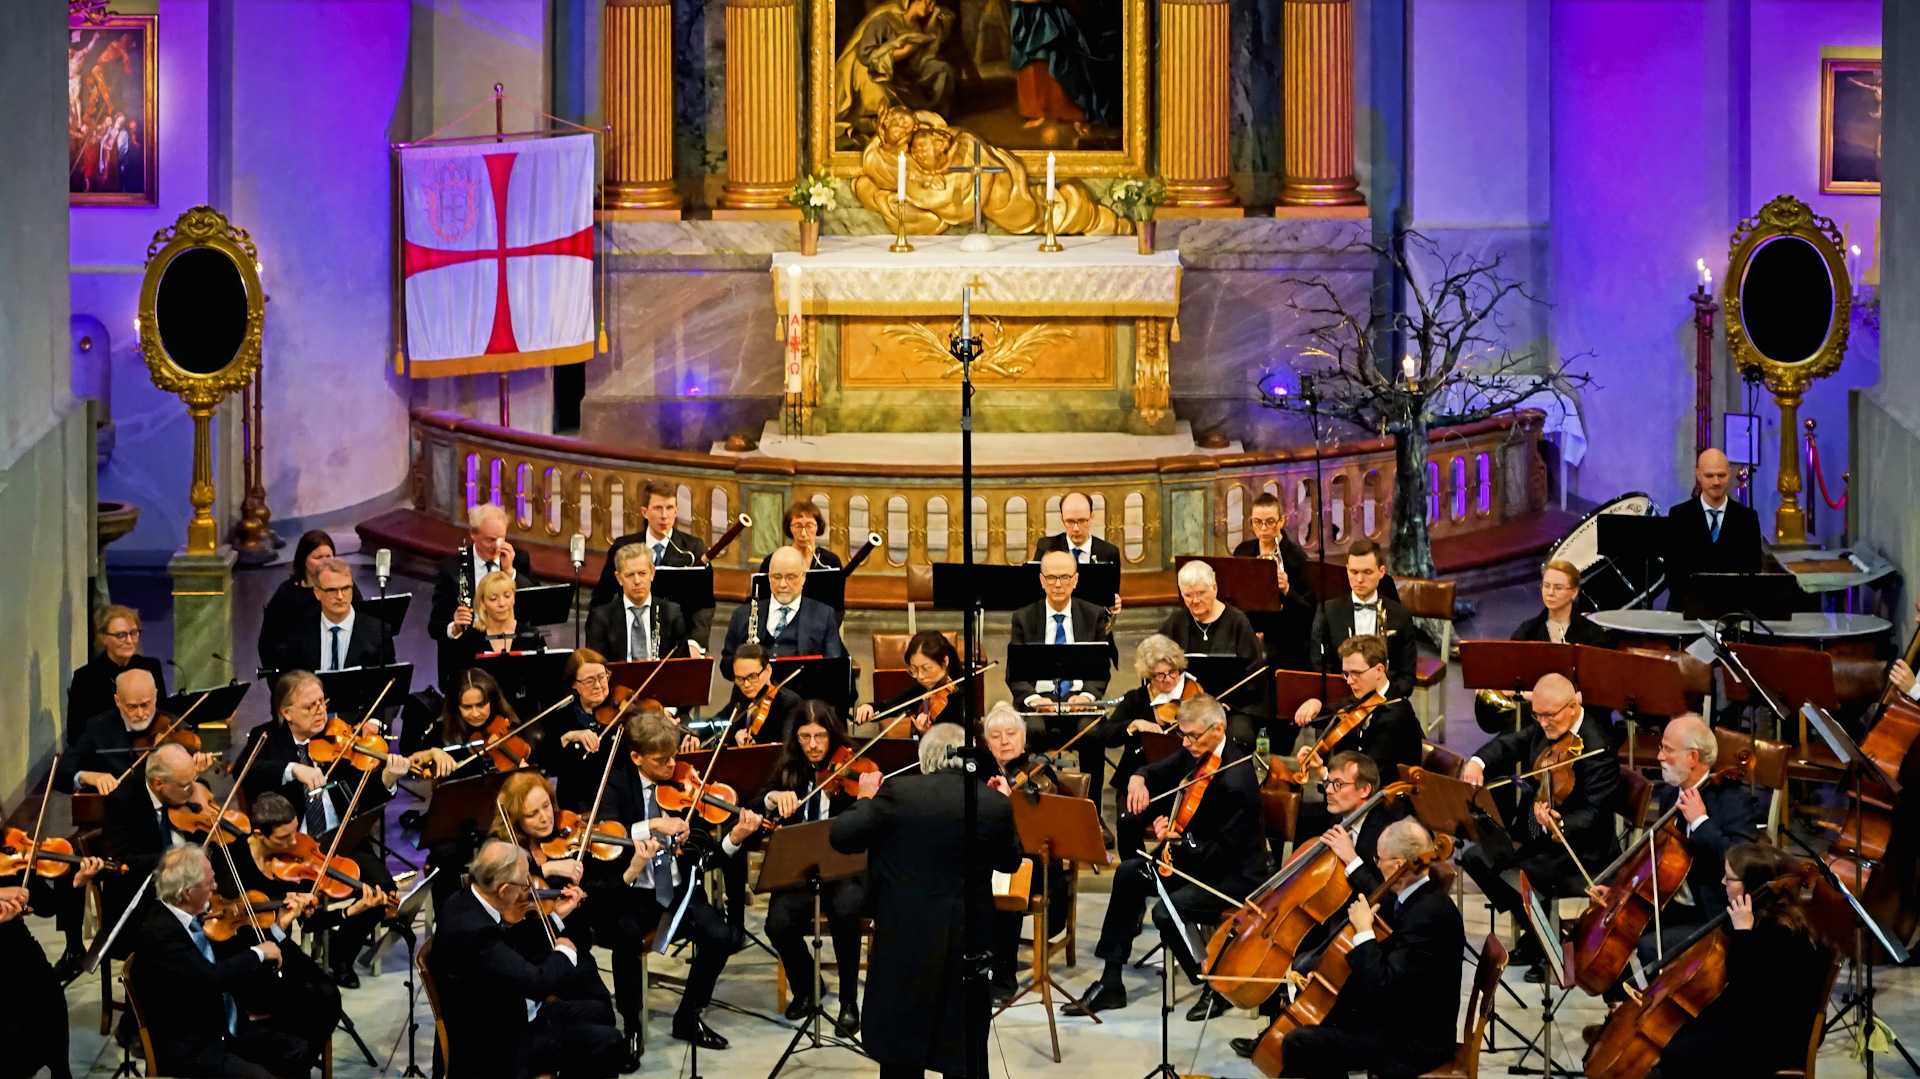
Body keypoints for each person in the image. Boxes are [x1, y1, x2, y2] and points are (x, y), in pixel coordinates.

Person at [831, 722, 1024, 1079]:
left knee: (901, 1046)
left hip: (906, 936)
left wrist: (864, 798)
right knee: (964, 1045)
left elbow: (843, 837)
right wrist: (1005, 804)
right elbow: (1010, 861)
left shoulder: (898, 793)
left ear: (925, 758)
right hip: (968, 938)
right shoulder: (992, 802)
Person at [1068, 695, 1266, 1020]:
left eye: (1192, 736)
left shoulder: (1237, 780)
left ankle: (1216, 985)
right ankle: (1111, 980)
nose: (1185, 743)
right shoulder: (1195, 753)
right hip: (1194, 860)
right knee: (1129, 873)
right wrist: (1139, 778)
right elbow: (1158, 769)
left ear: (1218, 730)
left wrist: (1181, 840)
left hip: (1231, 875)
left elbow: (1225, 852)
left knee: (1165, 911)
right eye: (1182, 734)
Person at [597, 708, 764, 1049]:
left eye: (673, 757)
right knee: (626, 937)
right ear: (636, 757)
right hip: (632, 892)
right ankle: (631, 1025)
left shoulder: (685, 786)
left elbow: (709, 858)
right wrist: (653, 826)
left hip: (676, 890)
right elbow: (604, 836)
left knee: (724, 936)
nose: (671, 766)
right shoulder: (616, 783)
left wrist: (736, 837)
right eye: (661, 761)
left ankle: (688, 1016)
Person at [236, 670, 411, 986]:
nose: (321, 711)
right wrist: (292, 769)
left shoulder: (336, 739)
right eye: (310, 706)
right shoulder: (265, 738)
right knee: (304, 903)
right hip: (293, 848)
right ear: (286, 712)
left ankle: (341, 956)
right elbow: (245, 771)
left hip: (340, 838)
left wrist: (387, 779)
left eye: (322, 702)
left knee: (382, 890)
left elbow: (363, 794)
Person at [1266, 819, 1464, 1079]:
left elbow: (1383, 984)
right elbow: (1397, 974)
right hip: (1404, 1018)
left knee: (1299, 1043)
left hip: (1414, 1044)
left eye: (1380, 859)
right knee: (1326, 1021)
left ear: (1398, 865)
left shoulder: (1426, 916)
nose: (1378, 864)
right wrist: (1330, 982)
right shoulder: (1416, 899)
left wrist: (1364, 931)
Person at [1458, 672, 1618, 981]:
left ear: (1573, 706)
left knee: (1520, 872)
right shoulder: (1548, 725)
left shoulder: (1599, 748)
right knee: (1478, 858)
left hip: (1581, 849)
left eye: (1549, 716)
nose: (1543, 723)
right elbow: (1511, 744)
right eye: (1538, 715)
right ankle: (1538, 936)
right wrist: (1478, 761)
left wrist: (1560, 823)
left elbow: (1594, 813)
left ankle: (1549, 947)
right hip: (1540, 834)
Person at [428, 839, 629, 1079]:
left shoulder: (466, 899)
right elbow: (537, 984)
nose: (529, 890)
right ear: (503, 889)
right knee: (609, 1042)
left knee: (601, 1011)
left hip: (509, 1010)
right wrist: (564, 952)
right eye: (524, 884)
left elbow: (511, 948)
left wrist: (556, 917)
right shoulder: (477, 934)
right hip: (499, 1044)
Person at [1647, 842, 1836, 1079]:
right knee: (1675, 1038)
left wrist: (1742, 933)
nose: (1723, 883)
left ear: (1751, 884)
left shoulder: (1779, 931)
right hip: (1755, 1018)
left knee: (1678, 1055)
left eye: (1730, 878)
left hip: (1778, 1036)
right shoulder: (1753, 913)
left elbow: (1748, 987)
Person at [132, 846, 312, 1079]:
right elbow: (212, 977)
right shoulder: (161, 934)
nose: (216, 888)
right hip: (196, 1047)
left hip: (225, 1026)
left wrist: (276, 930)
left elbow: (229, 962)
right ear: (187, 892)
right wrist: (257, 952)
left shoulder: (190, 916)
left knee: (298, 1050)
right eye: (209, 883)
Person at [213, 790, 392, 1006]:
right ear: (259, 834)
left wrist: (353, 911)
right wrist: (281, 908)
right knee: (301, 1001)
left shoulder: (295, 862)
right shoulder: (230, 860)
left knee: (327, 993)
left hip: (281, 943)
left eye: (295, 831)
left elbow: (310, 923)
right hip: (249, 951)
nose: (293, 842)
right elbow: (235, 922)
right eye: (283, 837)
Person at [1608, 714, 1758, 965]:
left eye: (1668, 749)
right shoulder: (1671, 794)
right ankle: (1620, 1002)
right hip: (1673, 904)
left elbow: (1741, 862)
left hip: (1710, 913)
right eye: (1661, 748)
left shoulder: (1732, 800)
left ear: (1693, 758)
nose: (1659, 757)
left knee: (1648, 947)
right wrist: (1620, 893)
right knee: (1615, 931)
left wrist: (1701, 822)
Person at [758, 700, 869, 1033]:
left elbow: (875, 825)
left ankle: (849, 1001)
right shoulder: (790, 767)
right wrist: (773, 798)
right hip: (803, 871)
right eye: (805, 736)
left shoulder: (851, 765)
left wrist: (865, 801)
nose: (814, 745)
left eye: (820, 735)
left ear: (832, 733)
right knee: (777, 924)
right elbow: (757, 801)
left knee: (844, 910)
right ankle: (808, 986)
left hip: (846, 869)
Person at [980, 704, 1073, 1007]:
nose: (1004, 741)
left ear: (1023, 739)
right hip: (991, 860)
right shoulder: (980, 774)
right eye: (996, 735)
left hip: (1038, 866)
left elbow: (1039, 837)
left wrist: (1010, 804)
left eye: (1011, 734)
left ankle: (1003, 977)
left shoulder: (1040, 775)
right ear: (986, 741)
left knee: (1011, 877)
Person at [1287, 635, 1422, 840]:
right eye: (1346, 674)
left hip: (1383, 809)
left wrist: (1324, 772)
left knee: (1304, 827)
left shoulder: (1397, 715)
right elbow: (1334, 712)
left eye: (1356, 673)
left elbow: (1367, 776)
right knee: (1295, 818)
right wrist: (1315, 703)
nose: (1349, 681)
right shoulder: (1364, 699)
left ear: (1378, 670)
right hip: (1353, 797)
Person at [1009, 549, 1115, 791]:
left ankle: (1092, 810)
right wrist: (1035, 700)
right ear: (1041, 580)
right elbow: (1015, 674)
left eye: (1065, 577)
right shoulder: (1023, 617)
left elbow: (1100, 671)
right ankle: (1034, 802)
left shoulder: (1093, 614)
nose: (1058, 584)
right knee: (1030, 733)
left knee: (1092, 733)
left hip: (1079, 700)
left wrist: (1086, 697)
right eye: (1051, 578)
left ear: (1076, 580)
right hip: (1038, 702)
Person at [0, 847, 103, 1076]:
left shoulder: (9, 851)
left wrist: (78, 881)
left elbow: (47, 905)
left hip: (18, 943)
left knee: (52, 1001)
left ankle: (61, 1071)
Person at [100, 743, 207, 951]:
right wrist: (175, 861)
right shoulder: (123, 801)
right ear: (158, 784)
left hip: (193, 899)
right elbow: (119, 860)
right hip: (145, 904)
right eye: (185, 785)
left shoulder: (190, 796)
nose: (193, 789)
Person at [1105, 634, 1201, 849]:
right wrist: (1133, 724)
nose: (1168, 680)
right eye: (1159, 675)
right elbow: (1105, 734)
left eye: (1172, 672)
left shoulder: (1195, 698)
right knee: (1128, 820)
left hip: (1183, 780)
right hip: (1139, 777)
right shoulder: (1136, 699)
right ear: (1148, 675)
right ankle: (1137, 874)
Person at [594, 480, 714, 647]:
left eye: (670, 508)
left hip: (679, 638)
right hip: (630, 634)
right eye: (658, 508)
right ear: (644, 512)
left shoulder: (693, 548)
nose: (664, 515)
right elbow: (602, 598)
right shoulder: (623, 547)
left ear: (676, 510)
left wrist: (696, 643)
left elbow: (704, 603)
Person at [60, 667, 218, 794]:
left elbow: (188, 789)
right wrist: (87, 776)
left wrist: (193, 773)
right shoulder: (98, 727)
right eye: (132, 707)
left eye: (146, 704)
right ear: (117, 701)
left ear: (155, 696)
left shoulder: (176, 726)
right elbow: (62, 773)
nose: (141, 714)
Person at [430, 503, 534, 692]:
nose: (497, 546)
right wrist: (454, 626)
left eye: (501, 538)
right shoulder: (451, 568)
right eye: (490, 540)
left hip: (511, 652)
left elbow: (536, 606)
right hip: (467, 658)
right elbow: (435, 626)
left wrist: (511, 572)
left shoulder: (518, 559)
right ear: (473, 534)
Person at [1157, 560, 1265, 743]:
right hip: (1182, 708)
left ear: (1214, 588)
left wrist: (1227, 706)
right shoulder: (1176, 622)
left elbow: (1255, 675)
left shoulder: (1237, 621)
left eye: (1201, 593)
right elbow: (1155, 662)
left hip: (1231, 708)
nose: (1195, 601)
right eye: (1188, 595)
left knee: (1239, 736)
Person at [1309, 538, 1416, 699]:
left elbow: (1407, 675)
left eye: (1367, 572)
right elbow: (1320, 665)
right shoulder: (1328, 611)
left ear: (1381, 572)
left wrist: (1383, 699)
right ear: (1347, 570)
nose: (1359, 580)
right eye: (1354, 572)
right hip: (1341, 700)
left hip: (1385, 701)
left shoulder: (1400, 615)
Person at [721, 545, 848, 679]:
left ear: (803, 577)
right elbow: (726, 666)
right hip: (752, 695)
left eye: (790, 577)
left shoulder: (824, 615)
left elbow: (833, 667)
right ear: (769, 577)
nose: (782, 584)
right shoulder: (742, 614)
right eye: (777, 577)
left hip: (805, 695)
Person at [1663, 448, 1764, 613]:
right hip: (1687, 609)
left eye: (1721, 475)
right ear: (1698, 475)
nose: (1716, 482)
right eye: (1709, 476)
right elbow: (1673, 574)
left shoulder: (1748, 518)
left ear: (1729, 474)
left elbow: (1752, 572)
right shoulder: (1679, 516)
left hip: (1732, 611)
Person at [1232, 493, 1319, 673]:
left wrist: (1287, 589)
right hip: (1251, 629)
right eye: (1257, 522)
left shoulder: (1295, 557)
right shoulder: (1243, 551)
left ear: (1281, 521)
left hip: (1286, 636)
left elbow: (1309, 612)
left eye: (1270, 522)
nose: (1263, 528)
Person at [531, 648, 626, 812]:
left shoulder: (623, 711)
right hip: (577, 806)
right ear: (574, 684)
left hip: (621, 800)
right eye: (589, 681)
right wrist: (568, 737)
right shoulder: (560, 718)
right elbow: (545, 763)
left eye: (602, 677)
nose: (598, 686)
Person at [265, 558, 396, 673]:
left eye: (346, 588)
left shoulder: (378, 632)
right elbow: (289, 683)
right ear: (317, 592)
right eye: (332, 590)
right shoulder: (298, 632)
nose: (340, 597)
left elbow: (389, 685)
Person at [66, 603, 167, 747]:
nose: (129, 641)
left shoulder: (150, 667)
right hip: (104, 754)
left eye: (133, 633)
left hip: (148, 748)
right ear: (103, 638)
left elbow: (162, 712)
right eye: (121, 635)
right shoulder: (85, 677)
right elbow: (75, 734)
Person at [257, 531, 359, 672]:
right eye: (318, 557)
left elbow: (362, 624)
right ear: (302, 559)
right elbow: (269, 643)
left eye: (329, 556)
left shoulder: (346, 587)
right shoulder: (286, 594)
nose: (325, 562)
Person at [586, 543, 693, 663]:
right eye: (630, 575)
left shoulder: (671, 613)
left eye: (642, 573)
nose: (637, 581)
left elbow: (682, 665)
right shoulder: (602, 617)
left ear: (652, 573)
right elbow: (596, 664)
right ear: (619, 578)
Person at [416, 668, 531, 779]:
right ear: (456, 706)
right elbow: (415, 764)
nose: (475, 714)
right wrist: (433, 753)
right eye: (467, 707)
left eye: (481, 705)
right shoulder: (441, 730)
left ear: (492, 701)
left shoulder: (505, 722)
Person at [855, 629, 967, 734]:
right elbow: (893, 705)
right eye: (914, 669)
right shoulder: (925, 689)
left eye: (926, 668)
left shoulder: (961, 697)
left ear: (944, 662)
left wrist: (927, 733)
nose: (920, 676)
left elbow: (956, 742)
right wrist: (871, 708)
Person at [711, 643, 804, 747]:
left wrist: (755, 748)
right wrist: (694, 734)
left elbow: (788, 750)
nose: (746, 684)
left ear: (768, 671)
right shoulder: (741, 697)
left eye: (752, 676)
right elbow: (718, 720)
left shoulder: (790, 703)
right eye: (740, 678)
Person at [1511, 559, 1613, 646]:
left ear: (1574, 592)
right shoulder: (1528, 631)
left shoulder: (1592, 633)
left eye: (1558, 588)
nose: (1550, 593)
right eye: (1546, 586)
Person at [1030, 492, 1121, 565]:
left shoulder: (1110, 552)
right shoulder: (1046, 548)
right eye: (1070, 522)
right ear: (1062, 520)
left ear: (1091, 517)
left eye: (1082, 521)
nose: (1076, 528)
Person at [758, 500, 846, 574]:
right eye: (797, 526)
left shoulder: (831, 562)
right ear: (789, 528)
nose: (803, 533)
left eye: (809, 525)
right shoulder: (772, 561)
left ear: (818, 527)